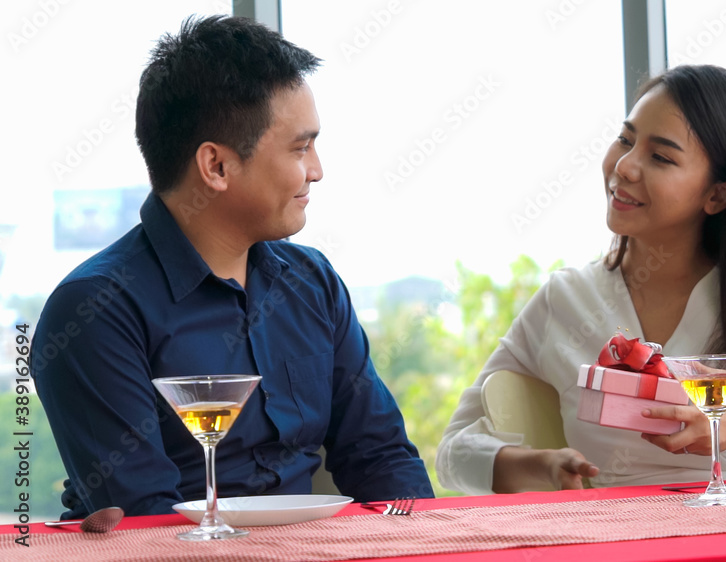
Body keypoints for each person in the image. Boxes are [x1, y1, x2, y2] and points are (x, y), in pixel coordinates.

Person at [31, 15, 432, 519]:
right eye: (300, 147)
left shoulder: (312, 282)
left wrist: (418, 543)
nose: (317, 170)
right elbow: (145, 519)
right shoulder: (96, 309)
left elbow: (381, 457)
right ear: (216, 166)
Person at [436, 65, 726, 494]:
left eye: (660, 157)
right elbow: (453, 454)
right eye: (625, 140)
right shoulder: (565, 301)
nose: (625, 167)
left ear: (718, 194)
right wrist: (539, 466)